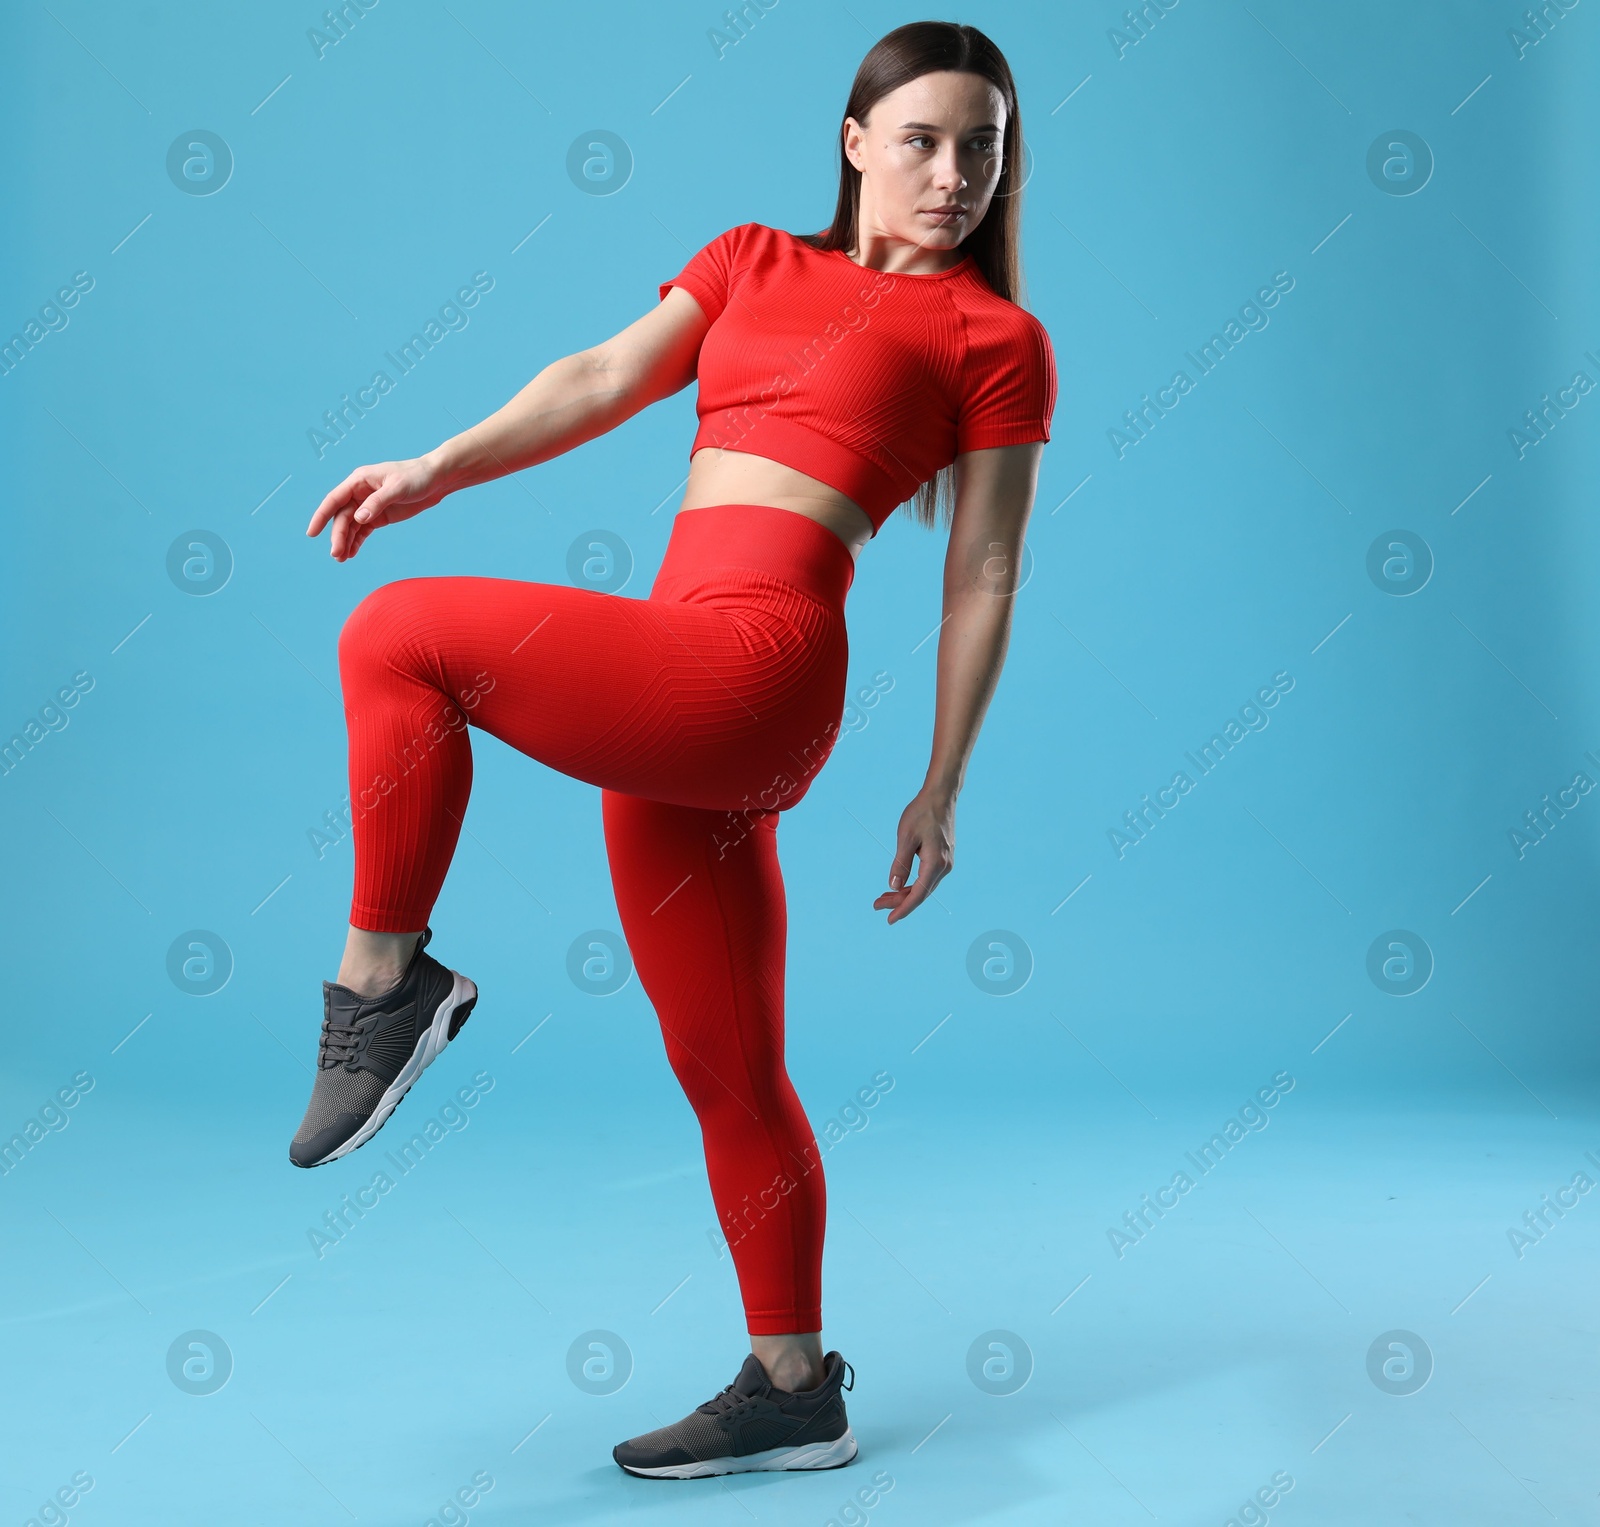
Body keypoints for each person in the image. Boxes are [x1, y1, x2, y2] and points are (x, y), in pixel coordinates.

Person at [290, 18, 1054, 1480]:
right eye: (923, 139)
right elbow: (597, 376)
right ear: (855, 143)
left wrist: (940, 784)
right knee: (728, 1064)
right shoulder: (755, 259)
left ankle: (382, 984)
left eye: (983, 148)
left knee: (396, 635)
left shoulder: (993, 338)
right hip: (676, 692)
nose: (954, 174)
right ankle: (793, 1387)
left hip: (758, 677)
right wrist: (433, 467)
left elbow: (986, 575)